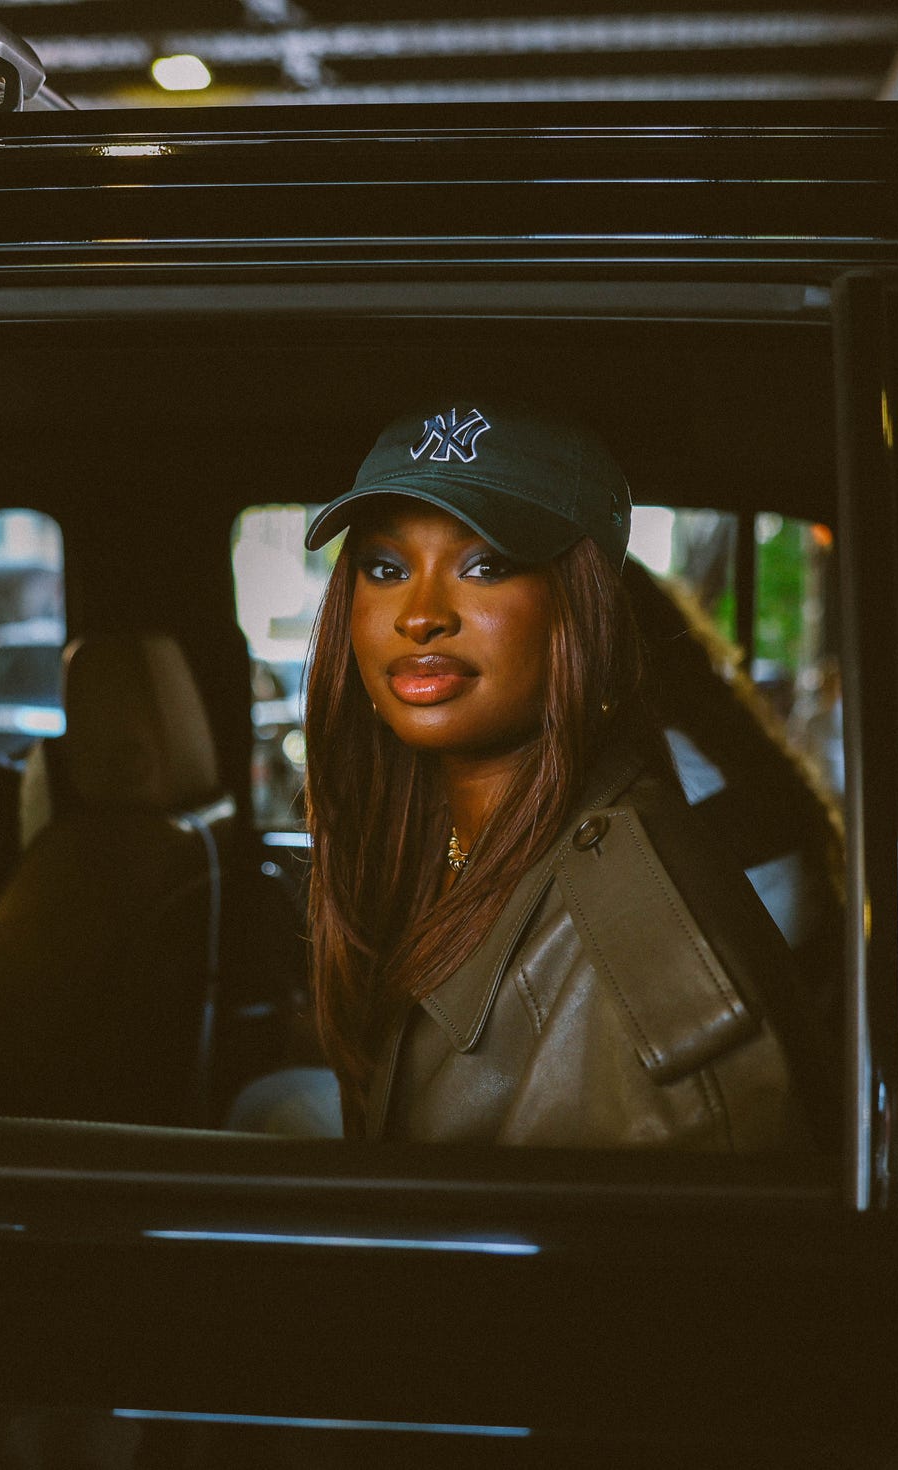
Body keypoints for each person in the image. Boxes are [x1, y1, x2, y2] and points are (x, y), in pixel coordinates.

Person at [302, 400, 829, 1149]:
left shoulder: (629, 946)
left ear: (582, 610)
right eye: (385, 568)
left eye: (486, 565)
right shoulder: (447, 833)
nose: (419, 615)